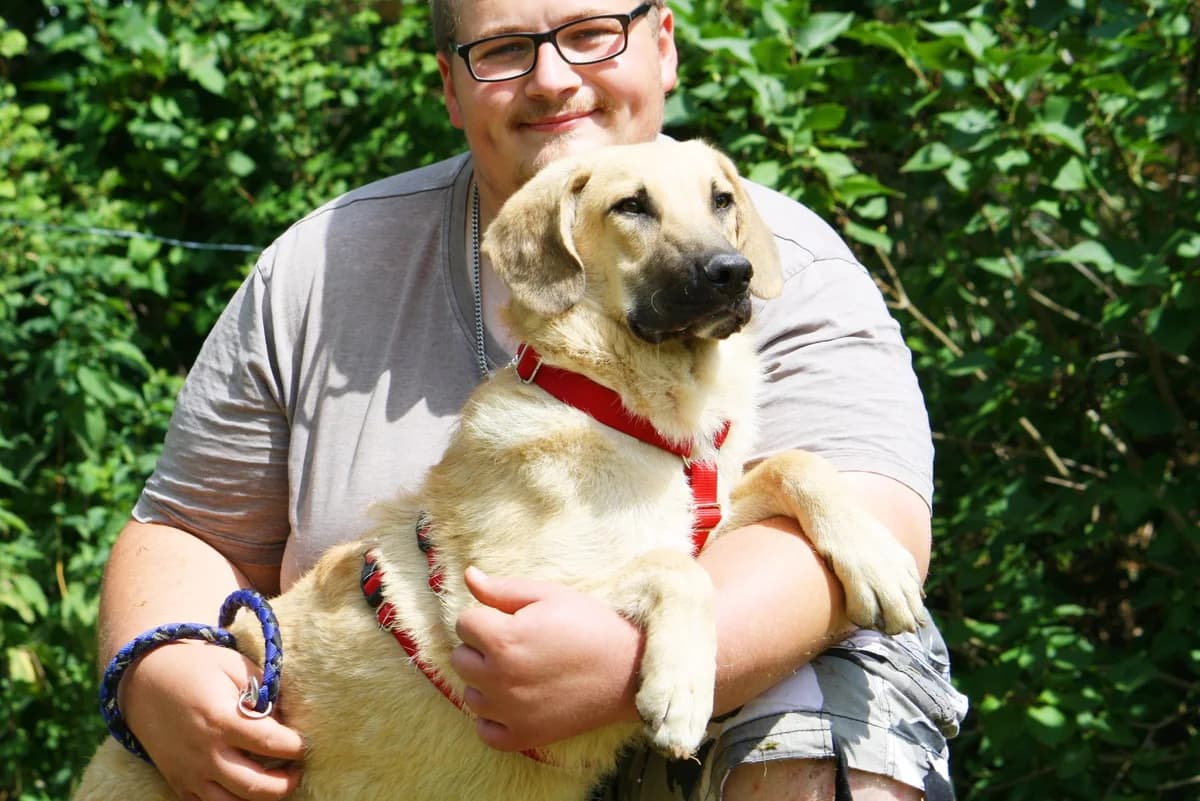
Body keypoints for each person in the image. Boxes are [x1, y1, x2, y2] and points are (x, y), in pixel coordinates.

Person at [96, 1, 968, 799]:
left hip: (684, 735)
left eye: (592, 32)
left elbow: (881, 520)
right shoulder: (321, 264)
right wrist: (156, 671)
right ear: (449, 85)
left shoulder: (776, 263)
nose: (552, 78)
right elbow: (186, 525)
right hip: (341, 746)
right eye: (505, 49)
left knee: (857, 664)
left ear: (663, 44)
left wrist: (628, 657)